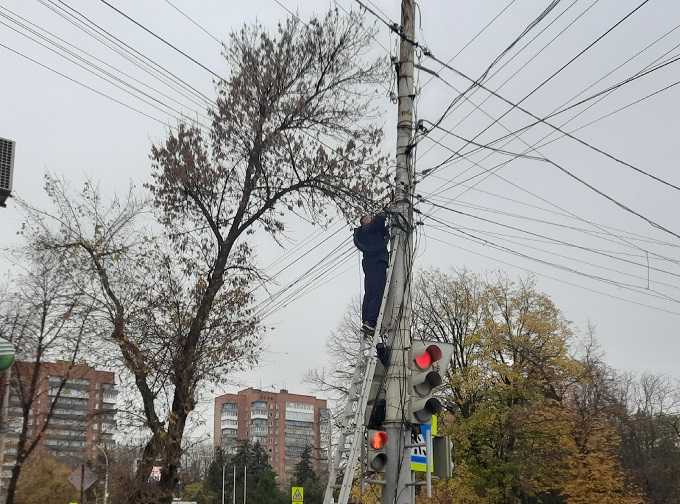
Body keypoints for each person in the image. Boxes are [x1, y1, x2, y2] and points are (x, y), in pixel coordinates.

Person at [354, 213, 389, 334]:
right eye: (369, 217)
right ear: (364, 222)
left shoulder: (369, 232)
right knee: (378, 291)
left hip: (370, 264)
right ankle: (371, 321)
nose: (371, 218)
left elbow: (381, 229)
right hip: (376, 262)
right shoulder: (367, 229)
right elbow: (378, 221)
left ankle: (367, 321)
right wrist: (384, 212)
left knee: (370, 292)